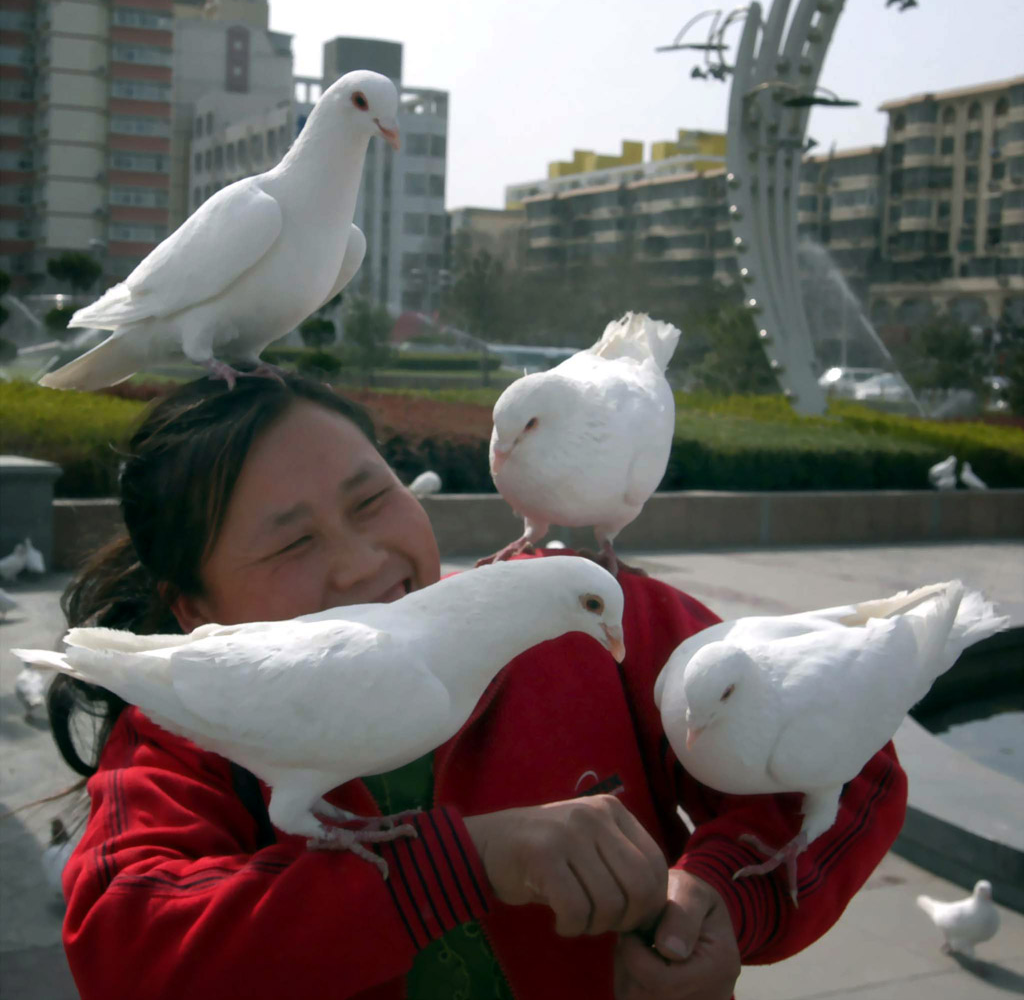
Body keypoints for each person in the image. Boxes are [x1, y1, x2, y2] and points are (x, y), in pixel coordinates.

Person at [49, 374, 907, 1000]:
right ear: (195, 611)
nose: (361, 562)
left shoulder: (587, 617)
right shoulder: (183, 743)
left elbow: (844, 753)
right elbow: (125, 950)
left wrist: (720, 896)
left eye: (372, 498)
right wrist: (463, 866)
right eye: (289, 546)